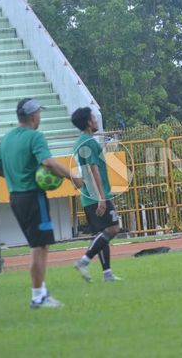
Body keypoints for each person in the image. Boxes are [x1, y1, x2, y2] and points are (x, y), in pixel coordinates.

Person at [0, 98, 83, 309]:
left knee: (38, 245)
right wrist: (73, 177)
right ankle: (38, 297)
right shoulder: (35, 137)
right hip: (33, 197)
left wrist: (18, 178)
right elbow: (48, 163)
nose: (39, 118)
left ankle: (41, 293)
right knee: (39, 247)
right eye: (39, 114)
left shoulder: (6, 139)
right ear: (34, 116)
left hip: (15, 198)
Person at [71, 107, 122, 283]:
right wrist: (101, 197)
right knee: (113, 228)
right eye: (93, 117)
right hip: (96, 195)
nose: (95, 120)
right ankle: (84, 261)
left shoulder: (79, 142)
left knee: (102, 234)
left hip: (87, 196)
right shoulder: (89, 143)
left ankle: (107, 273)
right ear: (88, 122)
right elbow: (94, 170)